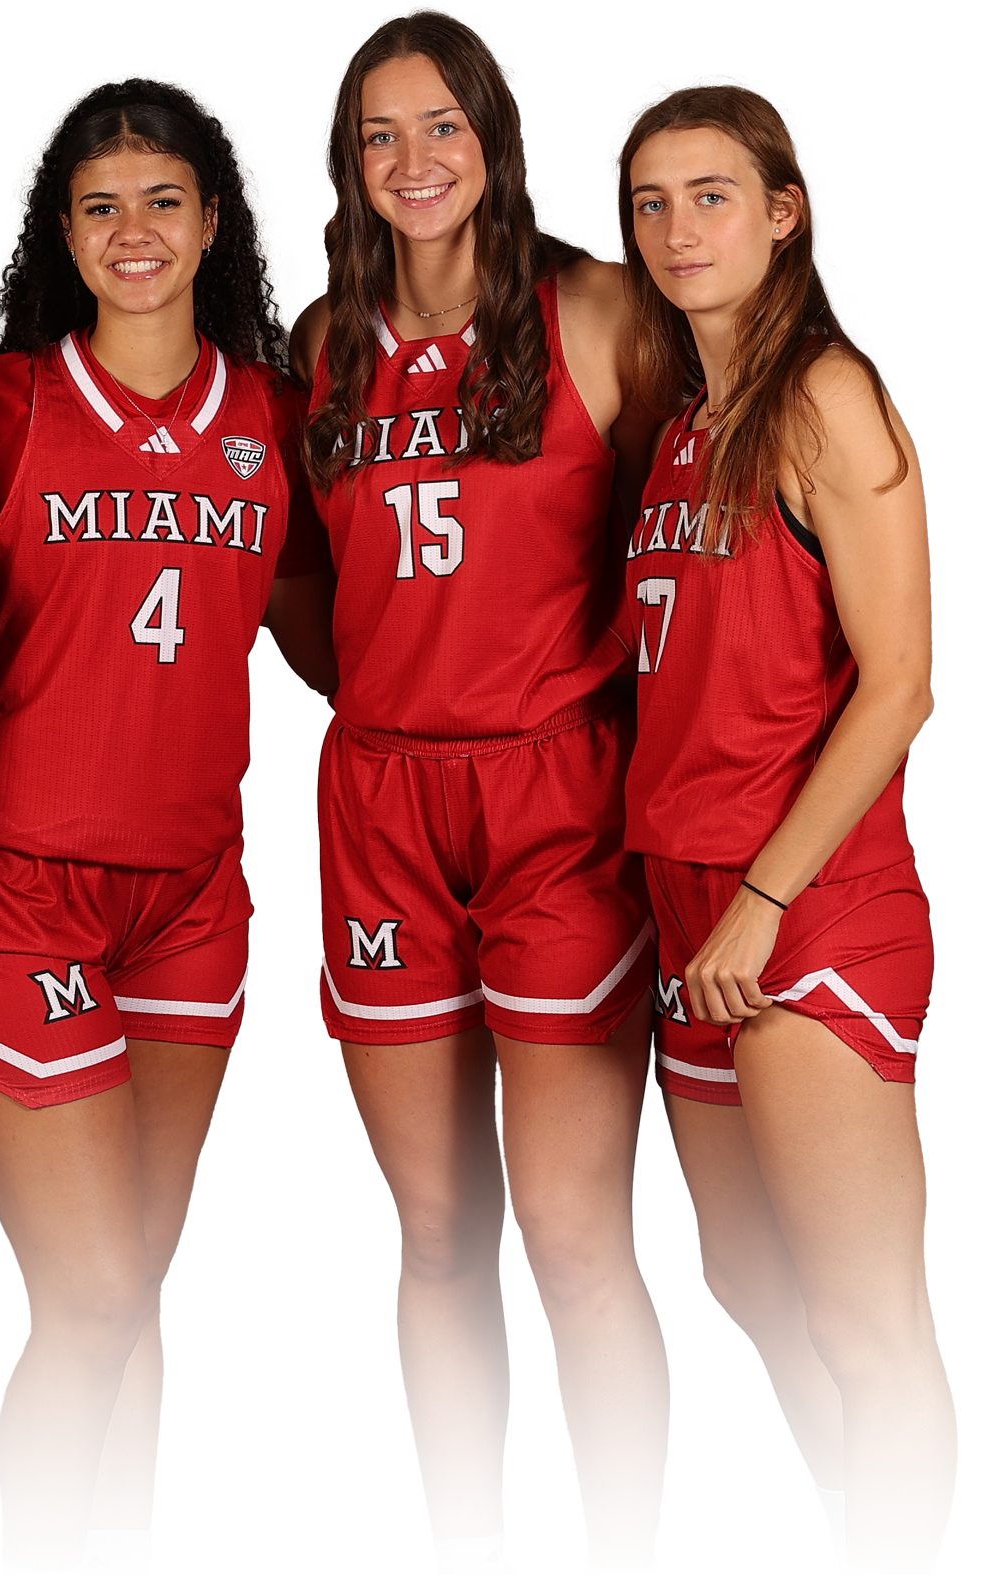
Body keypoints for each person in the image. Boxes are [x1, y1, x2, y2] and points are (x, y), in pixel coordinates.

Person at [0, 74, 336, 1575]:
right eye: (98, 207)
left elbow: (323, 644)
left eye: (162, 199)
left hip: (192, 891)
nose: (133, 230)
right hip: (21, 879)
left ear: (215, 217)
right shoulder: (1, 405)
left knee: (136, 1284)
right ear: (63, 235)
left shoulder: (272, 417)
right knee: (88, 1289)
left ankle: (117, 1559)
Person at [292, 9, 668, 1575]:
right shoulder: (326, 344)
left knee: (573, 1234)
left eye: (441, 125)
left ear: (496, 137)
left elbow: (685, 546)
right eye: (381, 134)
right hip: (383, 799)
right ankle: (468, 1561)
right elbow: (309, 595)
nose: (413, 160)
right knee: (440, 1233)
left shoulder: (598, 313)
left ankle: (622, 1563)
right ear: (347, 163)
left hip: (560, 795)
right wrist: (403, 702)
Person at [616, 79, 954, 1575]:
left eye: (711, 195)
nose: (681, 228)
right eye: (652, 201)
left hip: (804, 903)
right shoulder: (694, 416)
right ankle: (851, 1535)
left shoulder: (826, 394)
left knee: (867, 1317)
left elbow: (901, 689)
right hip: (691, 900)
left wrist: (762, 893)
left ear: (783, 212)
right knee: (745, 1277)